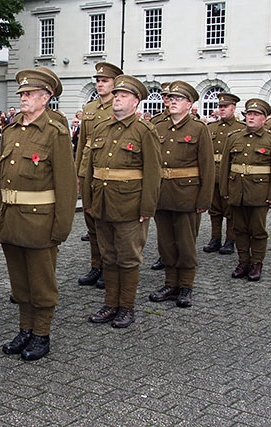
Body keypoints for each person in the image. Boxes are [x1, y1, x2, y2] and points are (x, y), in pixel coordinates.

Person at [0, 68, 76, 361]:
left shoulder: (55, 133)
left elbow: (66, 184)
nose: (24, 98)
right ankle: (25, 329)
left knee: (42, 284)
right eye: (22, 94)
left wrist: (61, 227)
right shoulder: (11, 130)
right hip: (13, 220)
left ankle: (41, 333)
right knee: (20, 283)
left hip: (40, 222)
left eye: (30, 94)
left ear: (46, 98)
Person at [83, 75, 161, 328]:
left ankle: (126, 307)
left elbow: (152, 173)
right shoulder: (101, 128)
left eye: (124, 95)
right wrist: (89, 200)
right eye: (116, 94)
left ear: (136, 101)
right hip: (102, 204)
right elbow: (91, 168)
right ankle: (110, 304)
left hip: (130, 206)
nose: (117, 98)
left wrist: (147, 208)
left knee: (127, 259)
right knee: (108, 256)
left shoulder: (144, 131)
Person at [148, 81, 214, 308]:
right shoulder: (158, 128)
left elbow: (207, 167)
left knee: (185, 244)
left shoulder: (199, 129)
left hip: (187, 196)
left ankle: (186, 285)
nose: (173, 102)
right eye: (171, 98)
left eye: (179, 99)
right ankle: (170, 283)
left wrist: (204, 199)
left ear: (189, 104)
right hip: (162, 195)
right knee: (165, 243)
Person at [219, 99, 271, 281]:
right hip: (236, 191)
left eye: (256, 115)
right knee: (239, 228)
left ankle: (257, 263)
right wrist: (225, 189)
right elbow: (225, 166)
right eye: (249, 114)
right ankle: (243, 262)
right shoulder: (234, 137)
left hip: (259, 192)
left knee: (257, 230)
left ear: (264, 119)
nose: (251, 117)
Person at [74, 62, 123, 289]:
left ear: (115, 84)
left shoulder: (119, 106)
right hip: (88, 170)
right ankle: (96, 265)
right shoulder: (90, 108)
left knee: (107, 223)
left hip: (108, 169)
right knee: (91, 222)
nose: (100, 84)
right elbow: (82, 143)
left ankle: (109, 266)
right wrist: (77, 174)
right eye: (98, 80)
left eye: (105, 81)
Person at [203, 93, 246, 255]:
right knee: (214, 209)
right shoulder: (211, 128)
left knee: (230, 210)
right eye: (220, 107)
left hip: (230, 177)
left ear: (233, 108)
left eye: (225, 107)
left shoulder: (240, 129)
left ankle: (230, 240)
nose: (221, 110)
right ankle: (215, 238)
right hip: (213, 175)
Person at [149, 81, 172, 271]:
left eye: (171, 96)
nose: (167, 99)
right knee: (162, 228)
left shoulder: (195, 125)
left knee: (182, 234)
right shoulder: (156, 123)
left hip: (182, 187)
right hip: (159, 182)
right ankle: (163, 255)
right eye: (165, 95)